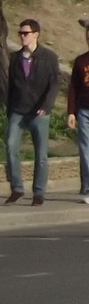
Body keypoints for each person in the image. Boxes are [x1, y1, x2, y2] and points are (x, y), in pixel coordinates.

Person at [4, 19, 60, 206]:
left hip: (39, 112)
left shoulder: (48, 57)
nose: (21, 36)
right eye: (20, 33)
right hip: (18, 110)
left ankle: (39, 192)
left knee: (41, 154)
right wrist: (9, 107)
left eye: (25, 33)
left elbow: (54, 84)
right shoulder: (15, 58)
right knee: (11, 146)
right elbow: (11, 85)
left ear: (36, 34)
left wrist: (46, 106)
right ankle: (17, 188)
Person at [67, 18, 89, 204]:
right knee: (85, 149)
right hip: (84, 110)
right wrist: (71, 112)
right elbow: (73, 87)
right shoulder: (81, 61)